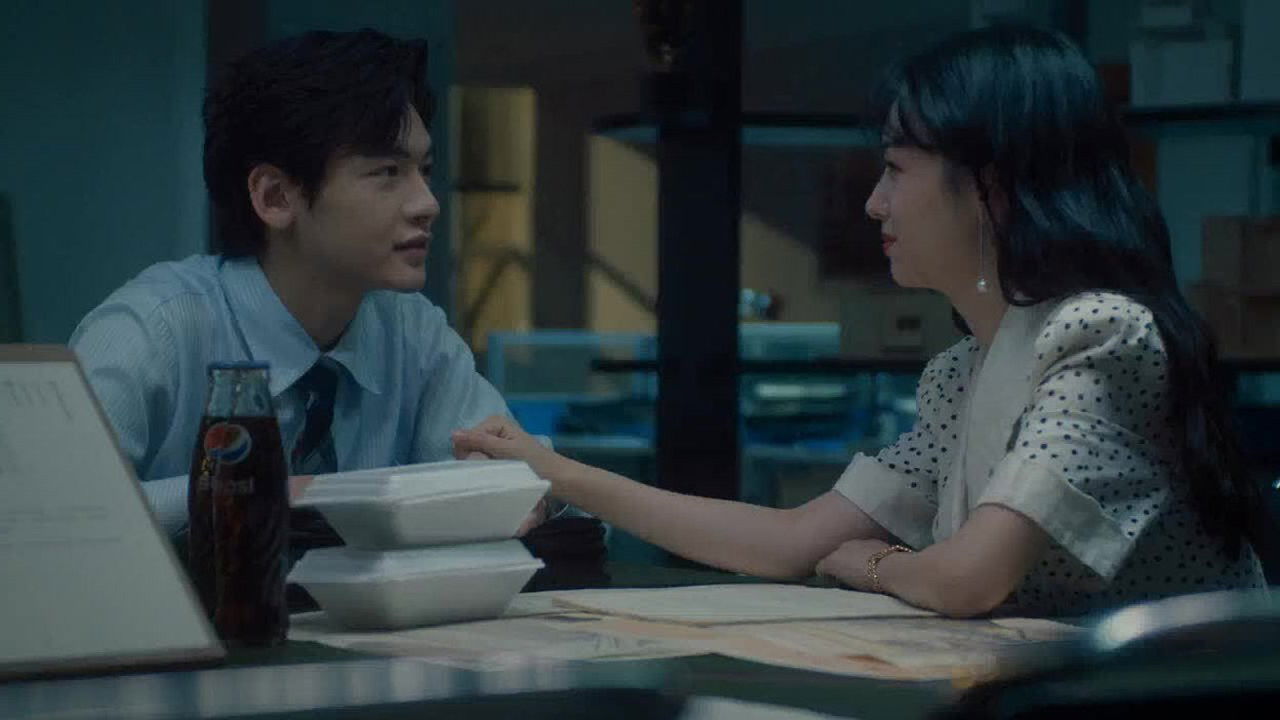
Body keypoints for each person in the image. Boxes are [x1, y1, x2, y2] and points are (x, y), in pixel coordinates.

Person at [453, 25, 1269, 617]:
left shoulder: (1101, 334)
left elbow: (966, 578)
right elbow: (788, 541)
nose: (876, 203)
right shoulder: (963, 370)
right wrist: (558, 472)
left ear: (990, 186)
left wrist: (873, 564)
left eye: (896, 169)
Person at [71, 29, 551, 542]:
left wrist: (506, 486)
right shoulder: (155, 329)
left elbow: (525, 481)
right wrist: (264, 493)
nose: (427, 204)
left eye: (425, 170)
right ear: (276, 197)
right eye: (388, 172)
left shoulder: (413, 333)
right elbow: (56, 511)